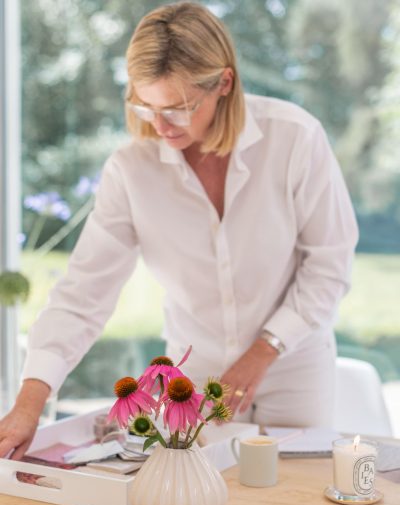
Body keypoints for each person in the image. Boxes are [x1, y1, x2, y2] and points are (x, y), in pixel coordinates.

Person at [0, 2, 358, 460]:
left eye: (178, 108)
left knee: (294, 496)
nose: (161, 125)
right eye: (146, 106)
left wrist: (264, 350)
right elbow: (82, 294)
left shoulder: (294, 139)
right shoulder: (132, 170)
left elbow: (329, 262)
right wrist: (29, 403)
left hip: (293, 371)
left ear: (224, 83)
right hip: (194, 384)